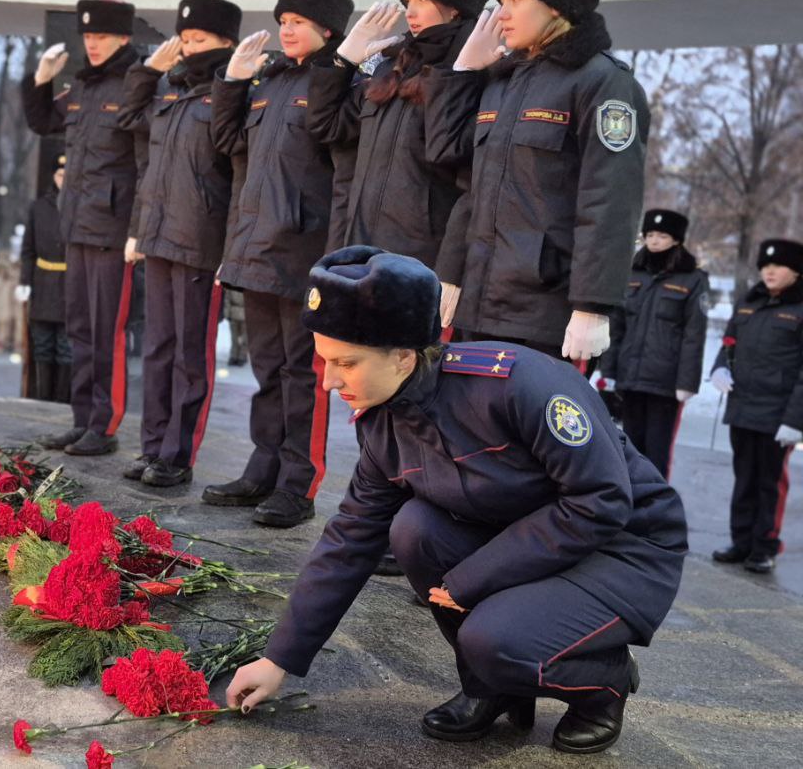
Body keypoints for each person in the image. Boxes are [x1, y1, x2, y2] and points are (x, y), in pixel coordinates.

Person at [227, 246, 687, 755]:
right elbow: (349, 540)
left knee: (493, 640)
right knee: (414, 530)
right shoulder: (384, 423)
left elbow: (600, 502)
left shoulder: (518, 386)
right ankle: (490, 687)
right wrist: (280, 659)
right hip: (529, 540)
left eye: (346, 363)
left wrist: (474, 577)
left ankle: (602, 681)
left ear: (403, 356)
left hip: (622, 548)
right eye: (324, 360)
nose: (329, 381)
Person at [423, 0, 648, 362]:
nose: (501, 14)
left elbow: (610, 200)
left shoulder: (603, 82)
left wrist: (592, 305)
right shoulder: (500, 80)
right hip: (480, 303)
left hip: (548, 315)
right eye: (500, 1)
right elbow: (468, 183)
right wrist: (450, 273)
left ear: (556, 5)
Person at [201, 0, 354, 528]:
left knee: (302, 374)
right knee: (266, 371)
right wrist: (233, 84)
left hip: (303, 252)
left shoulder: (338, 82)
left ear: (327, 29)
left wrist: (335, 262)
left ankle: (297, 483)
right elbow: (230, 146)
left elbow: (342, 172)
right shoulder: (271, 80)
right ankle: (262, 467)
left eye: (298, 22)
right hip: (257, 249)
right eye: (283, 22)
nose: (286, 31)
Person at [117, 0, 241, 486]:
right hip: (159, 236)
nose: (189, 48)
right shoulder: (169, 89)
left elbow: (237, 171)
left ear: (226, 41)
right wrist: (147, 71)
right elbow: (131, 125)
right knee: (157, 349)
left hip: (199, 240)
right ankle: (152, 448)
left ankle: (177, 455)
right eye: (184, 38)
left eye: (200, 39)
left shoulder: (231, 91)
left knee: (190, 356)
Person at [309, 0, 490, 266]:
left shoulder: (471, 72)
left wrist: (451, 271)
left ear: (455, 9)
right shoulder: (391, 66)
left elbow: (469, 182)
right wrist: (342, 62)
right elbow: (327, 125)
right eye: (408, 1)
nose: (410, 12)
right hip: (363, 250)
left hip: (419, 260)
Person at [22, 0, 140, 456]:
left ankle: (104, 425)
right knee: (80, 329)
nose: (92, 44)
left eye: (101, 36)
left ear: (123, 38)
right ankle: (82, 419)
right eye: (88, 36)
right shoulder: (83, 87)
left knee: (106, 330)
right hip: (75, 223)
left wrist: (137, 226)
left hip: (112, 226)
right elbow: (42, 121)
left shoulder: (135, 83)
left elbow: (146, 160)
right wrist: (41, 79)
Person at [709, 237, 803, 574]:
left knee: (770, 482)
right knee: (744, 477)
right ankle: (741, 541)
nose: (769, 271)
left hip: (778, 413)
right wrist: (720, 368)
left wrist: (796, 420)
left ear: (796, 271)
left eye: (778, 265)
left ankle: (764, 546)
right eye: (765, 266)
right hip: (743, 406)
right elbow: (729, 343)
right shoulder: (749, 302)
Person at [598, 209, 709, 477]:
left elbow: (694, 334)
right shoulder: (632, 273)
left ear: (676, 240)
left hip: (665, 383)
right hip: (629, 377)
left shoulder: (693, 279)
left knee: (657, 454)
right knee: (628, 450)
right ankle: (629, 500)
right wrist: (608, 372)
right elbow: (616, 327)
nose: (654, 241)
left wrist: (686, 383)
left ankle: (655, 503)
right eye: (649, 235)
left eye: (662, 235)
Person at [19, 156, 72, 402]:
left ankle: (61, 402)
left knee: (66, 349)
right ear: (53, 176)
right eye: (60, 174)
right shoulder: (38, 207)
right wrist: (25, 282)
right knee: (42, 347)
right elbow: (28, 250)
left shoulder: (81, 206)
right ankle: (42, 401)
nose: (64, 179)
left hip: (70, 286)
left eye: (68, 175)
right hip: (43, 286)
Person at [225, 289, 247, 367]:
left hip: (243, 314)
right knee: (235, 338)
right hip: (234, 313)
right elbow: (227, 300)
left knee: (244, 338)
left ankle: (241, 356)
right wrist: (227, 313)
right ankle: (235, 356)